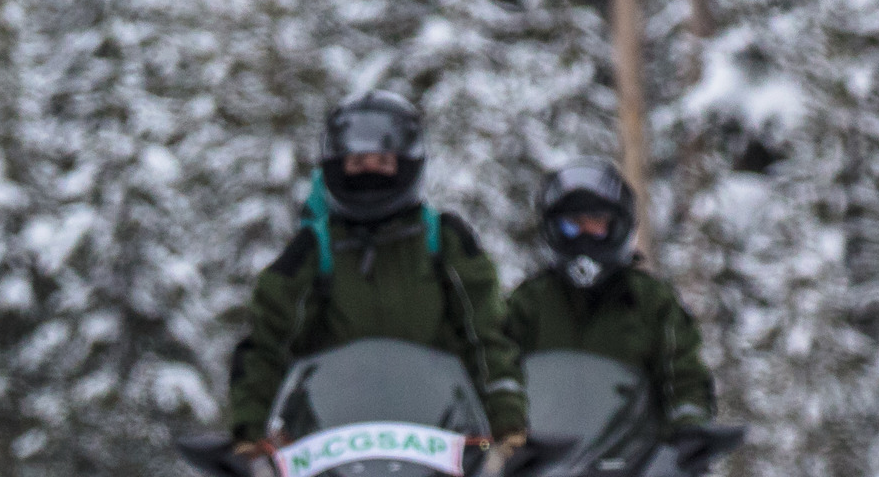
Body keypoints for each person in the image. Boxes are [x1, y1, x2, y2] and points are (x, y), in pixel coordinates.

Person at [220, 88, 527, 451]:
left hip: (440, 445)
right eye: (357, 163)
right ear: (336, 166)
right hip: (329, 448)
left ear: (406, 164)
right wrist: (250, 431)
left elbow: (488, 335)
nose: (370, 173)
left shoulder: (444, 241)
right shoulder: (312, 250)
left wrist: (507, 422)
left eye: (382, 162)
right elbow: (265, 342)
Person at [500, 159, 714, 422]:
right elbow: (497, 367)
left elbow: (684, 375)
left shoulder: (651, 301)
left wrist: (689, 425)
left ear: (618, 225)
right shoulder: (530, 302)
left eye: (596, 222)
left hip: (635, 455)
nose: (585, 233)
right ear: (553, 227)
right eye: (573, 224)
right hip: (543, 453)